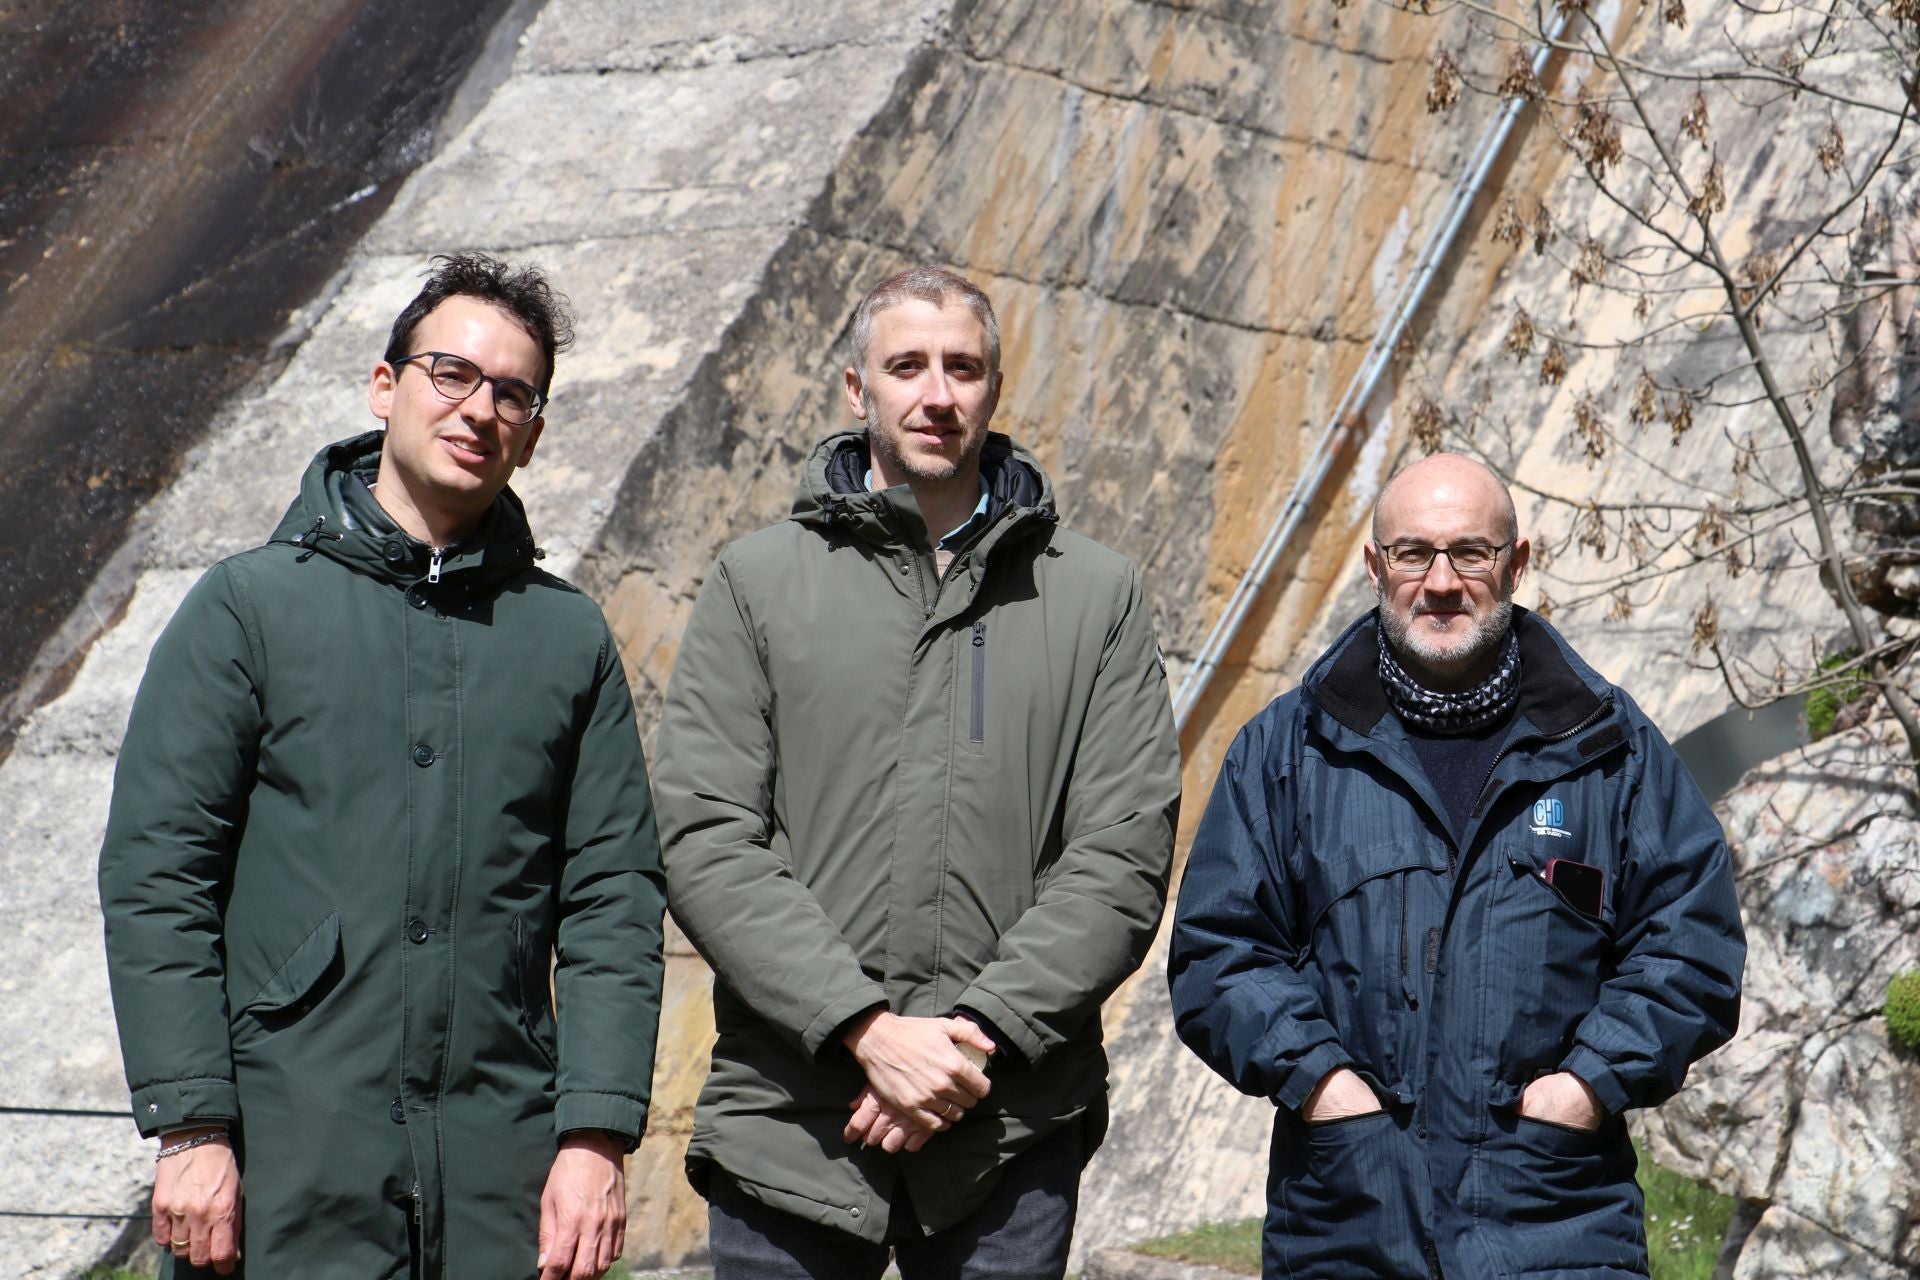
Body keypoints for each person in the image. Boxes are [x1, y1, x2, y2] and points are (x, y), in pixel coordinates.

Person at [98, 253, 666, 1280]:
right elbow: (157, 874)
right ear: (386, 384)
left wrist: (596, 1134)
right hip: (286, 1163)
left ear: (533, 434)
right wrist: (190, 1124)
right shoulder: (250, 608)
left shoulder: (566, 639)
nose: (479, 407)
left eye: (513, 393)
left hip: (500, 1177)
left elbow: (613, 902)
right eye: (451, 372)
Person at [654, 266, 1182, 1278]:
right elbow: (708, 836)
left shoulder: (1096, 594)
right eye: (907, 365)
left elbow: (1122, 853)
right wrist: (864, 1028)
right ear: (859, 390)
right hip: (792, 1119)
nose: (937, 393)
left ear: (992, 389)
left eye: (963, 367)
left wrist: (970, 1036)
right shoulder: (756, 582)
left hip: (1006, 1125)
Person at [1167, 453, 1745, 1279]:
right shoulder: (1286, 750)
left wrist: (1584, 1088)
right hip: (1347, 1222)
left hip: (1556, 1224)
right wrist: (1325, 1086)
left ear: (1516, 564)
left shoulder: (1608, 749)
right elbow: (1220, 951)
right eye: (1414, 553)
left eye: (1470, 552)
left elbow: (1691, 947)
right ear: (1376, 567)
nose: (1441, 582)